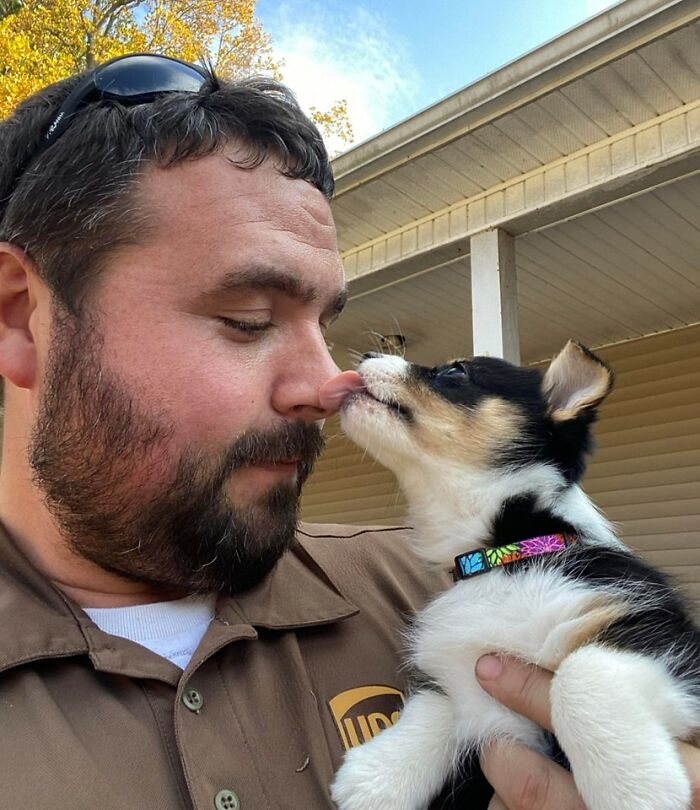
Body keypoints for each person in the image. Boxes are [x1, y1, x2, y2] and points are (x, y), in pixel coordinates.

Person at [0, 53, 696, 810]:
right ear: (21, 318)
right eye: (248, 320)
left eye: (324, 326)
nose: (331, 384)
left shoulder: (425, 579)